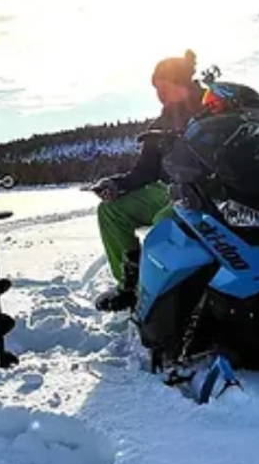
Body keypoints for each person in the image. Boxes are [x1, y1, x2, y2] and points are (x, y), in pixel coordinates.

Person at [88, 49, 206, 312]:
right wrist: (116, 184)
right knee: (111, 211)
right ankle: (130, 287)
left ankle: (178, 292)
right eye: (156, 89)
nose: (159, 94)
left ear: (181, 82)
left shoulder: (213, 107)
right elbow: (145, 171)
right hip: (171, 192)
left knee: (165, 222)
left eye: (164, 87)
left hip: (209, 192)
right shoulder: (161, 123)